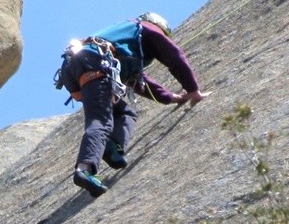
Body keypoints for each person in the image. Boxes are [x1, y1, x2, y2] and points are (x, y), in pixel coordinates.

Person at [60, 12, 208, 197]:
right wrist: (193, 90)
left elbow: (140, 83)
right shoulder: (147, 29)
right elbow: (174, 57)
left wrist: (173, 97)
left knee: (125, 112)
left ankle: (111, 148)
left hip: (77, 68)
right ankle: (85, 169)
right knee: (101, 122)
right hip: (96, 64)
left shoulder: (125, 40)